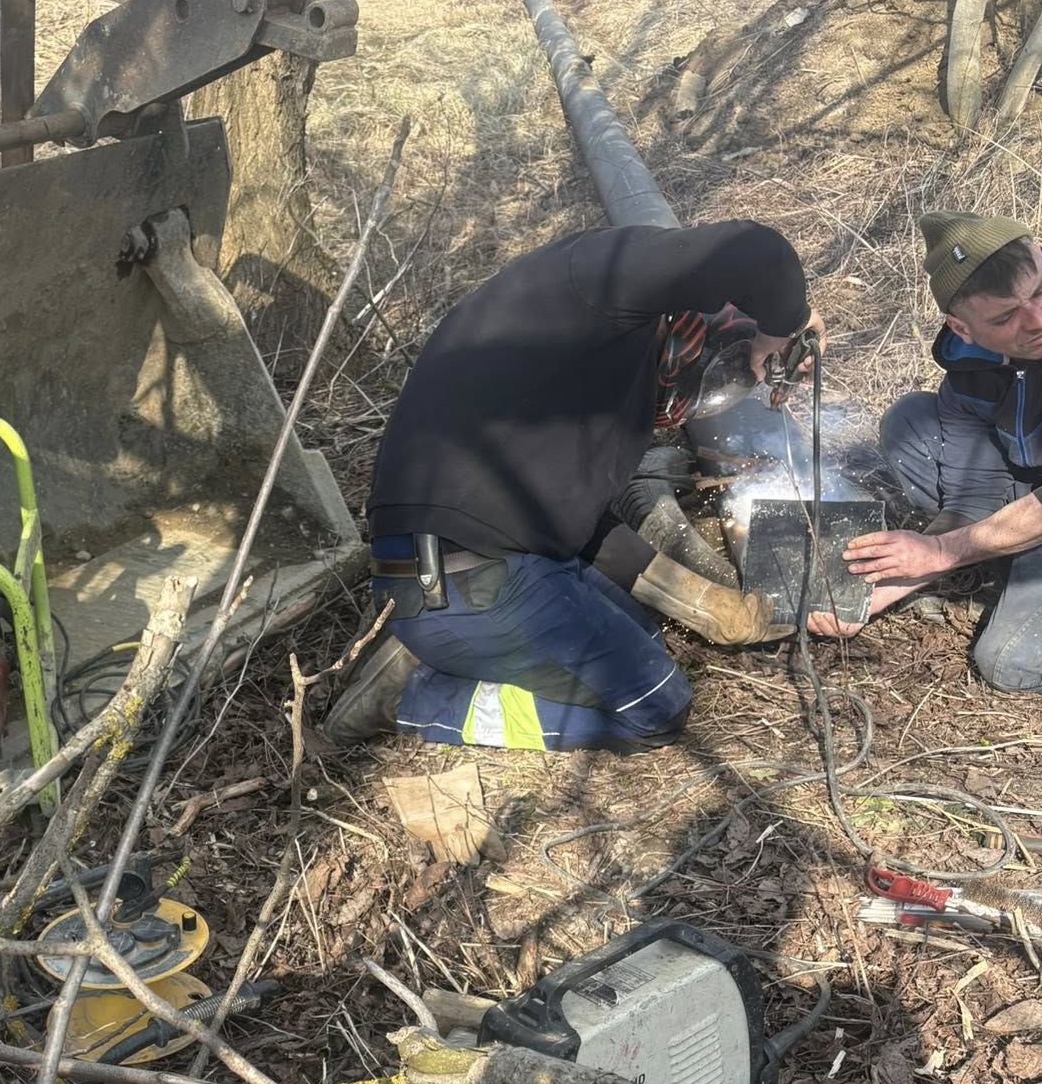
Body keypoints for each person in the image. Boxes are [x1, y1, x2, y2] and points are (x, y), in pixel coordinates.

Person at [324, 219, 822, 750]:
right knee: (656, 706)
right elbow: (757, 252)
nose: (678, 401)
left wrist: (703, 603)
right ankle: (414, 700)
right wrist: (786, 324)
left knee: (646, 639)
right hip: (465, 576)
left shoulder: (570, 363)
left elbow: (583, 527)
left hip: (483, 563)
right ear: (691, 327)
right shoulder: (597, 279)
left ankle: (446, 646)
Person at [841, 213, 1042, 689]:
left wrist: (941, 551)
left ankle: (1013, 552)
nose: (1037, 320)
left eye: (1039, 291)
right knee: (911, 422)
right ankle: (1010, 550)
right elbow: (974, 488)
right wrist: (887, 587)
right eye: (1005, 317)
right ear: (961, 328)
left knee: (1008, 664)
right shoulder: (972, 369)